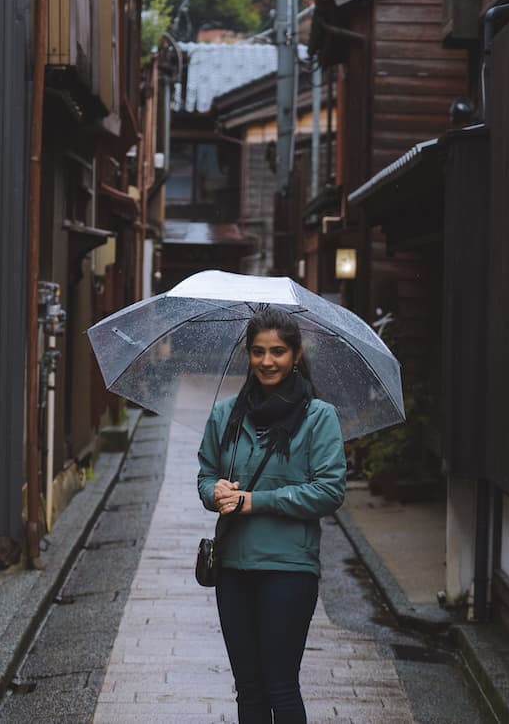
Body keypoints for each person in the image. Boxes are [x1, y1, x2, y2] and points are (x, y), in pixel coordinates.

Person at [197, 307, 347, 724]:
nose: (267, 361)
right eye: (259, 351)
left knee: (280, 685)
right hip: (232, 567)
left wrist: (254, 501)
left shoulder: (319, 417)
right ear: (248, 354)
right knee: (248, 689)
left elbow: (329, 491)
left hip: (288, 568)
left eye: (278, 351)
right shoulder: (225, 414)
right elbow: (206, 474)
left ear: (296, 355)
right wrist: (216, 491)